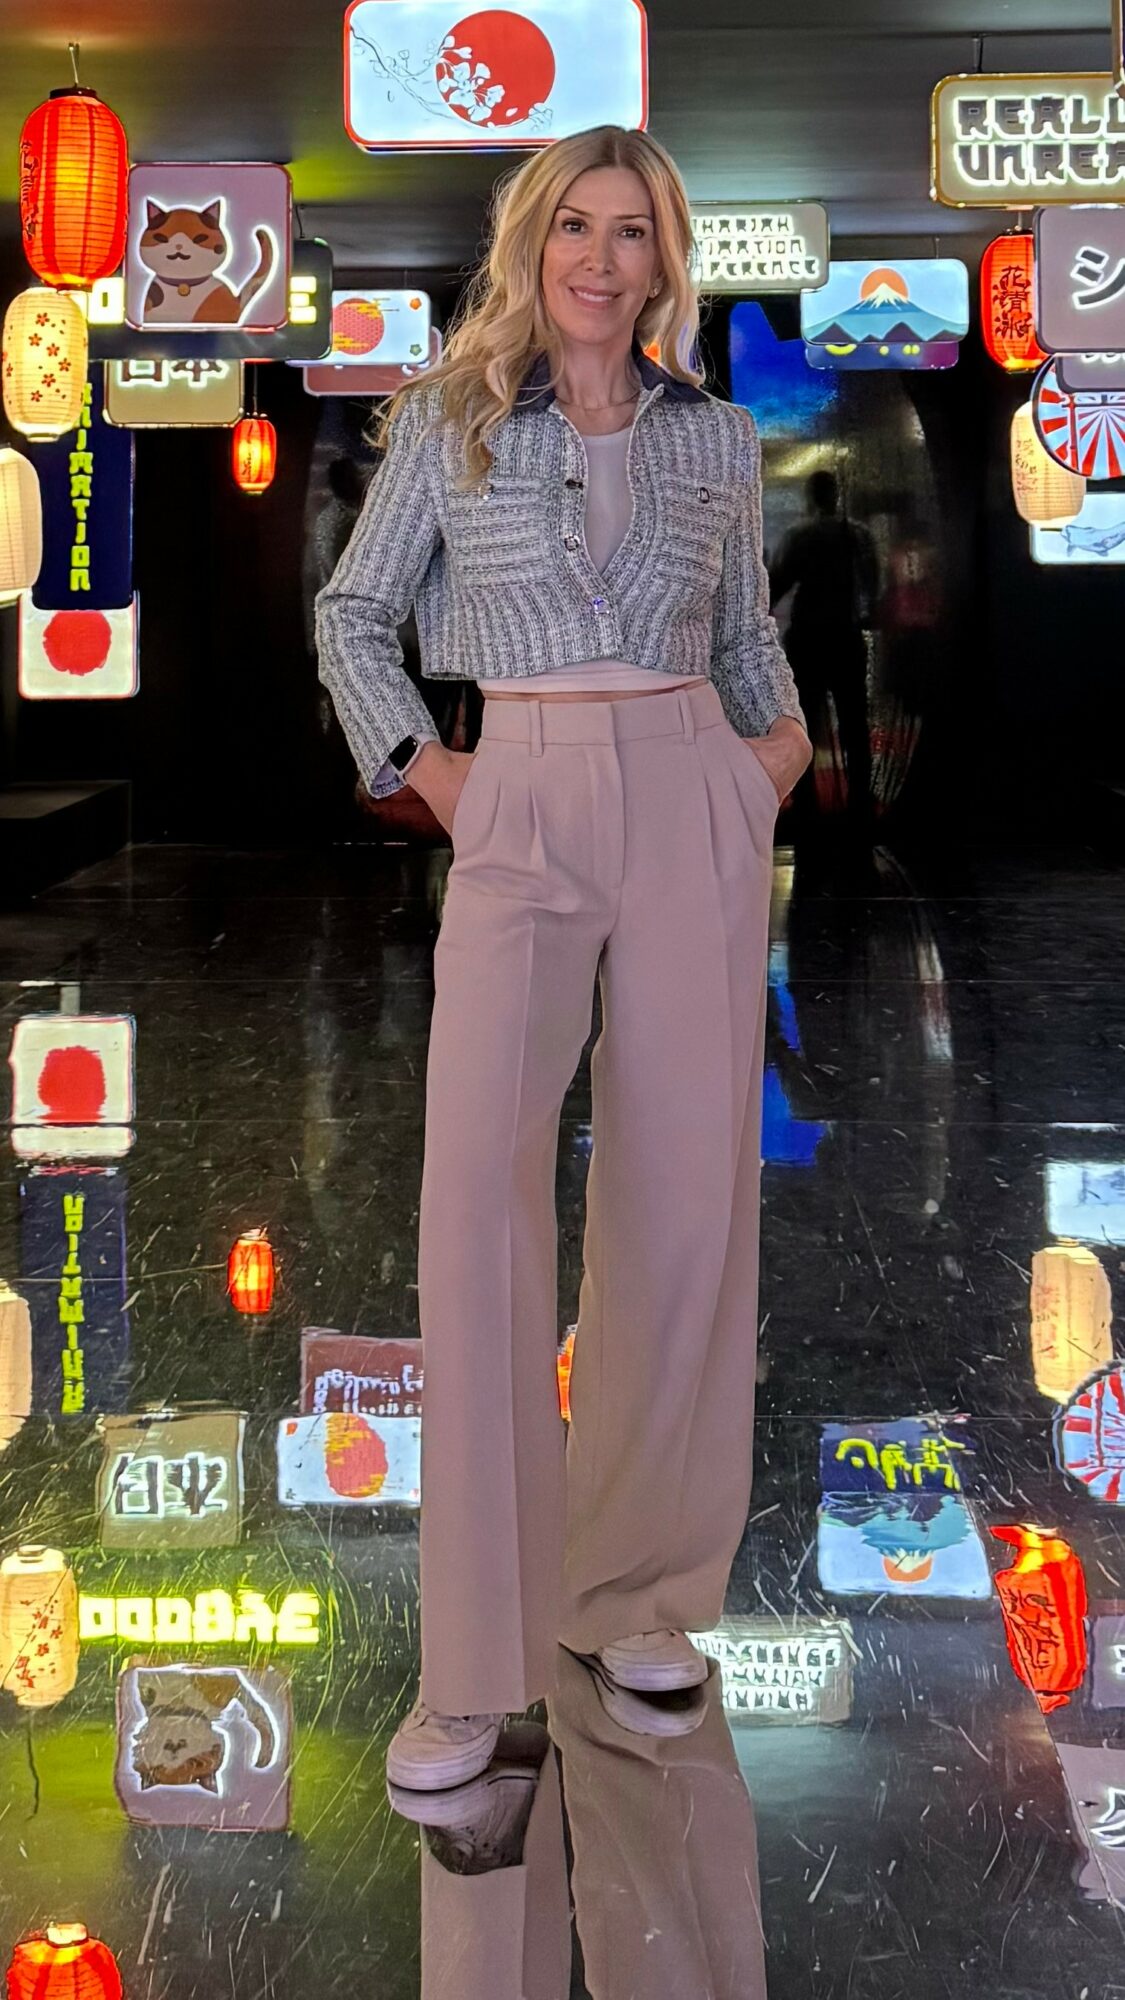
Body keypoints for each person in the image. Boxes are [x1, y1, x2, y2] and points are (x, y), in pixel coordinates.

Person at [314, 123, 812, 1794]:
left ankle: (636, 1597)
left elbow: (746, 641)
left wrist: (769, 765)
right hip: (515, 789)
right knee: (478, 1203)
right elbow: (351, 614)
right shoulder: (449, 420)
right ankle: (471, 1669)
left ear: (666, 260)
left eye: (633, 230)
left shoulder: (718, 437)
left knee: (681, 1205)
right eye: (575, 227)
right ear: (533, 244)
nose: (602, 258)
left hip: (687, 791)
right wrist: (430, 770)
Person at [768, 469, 878, 835]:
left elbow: (779, 582)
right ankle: (860, 801)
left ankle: (807, 805)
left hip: (808, 638)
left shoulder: (800, 535)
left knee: (805, 723)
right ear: (836, 496)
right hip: (846, 636)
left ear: (810, 497)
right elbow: (872, 588)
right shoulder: (858, 535)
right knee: (853, 722)